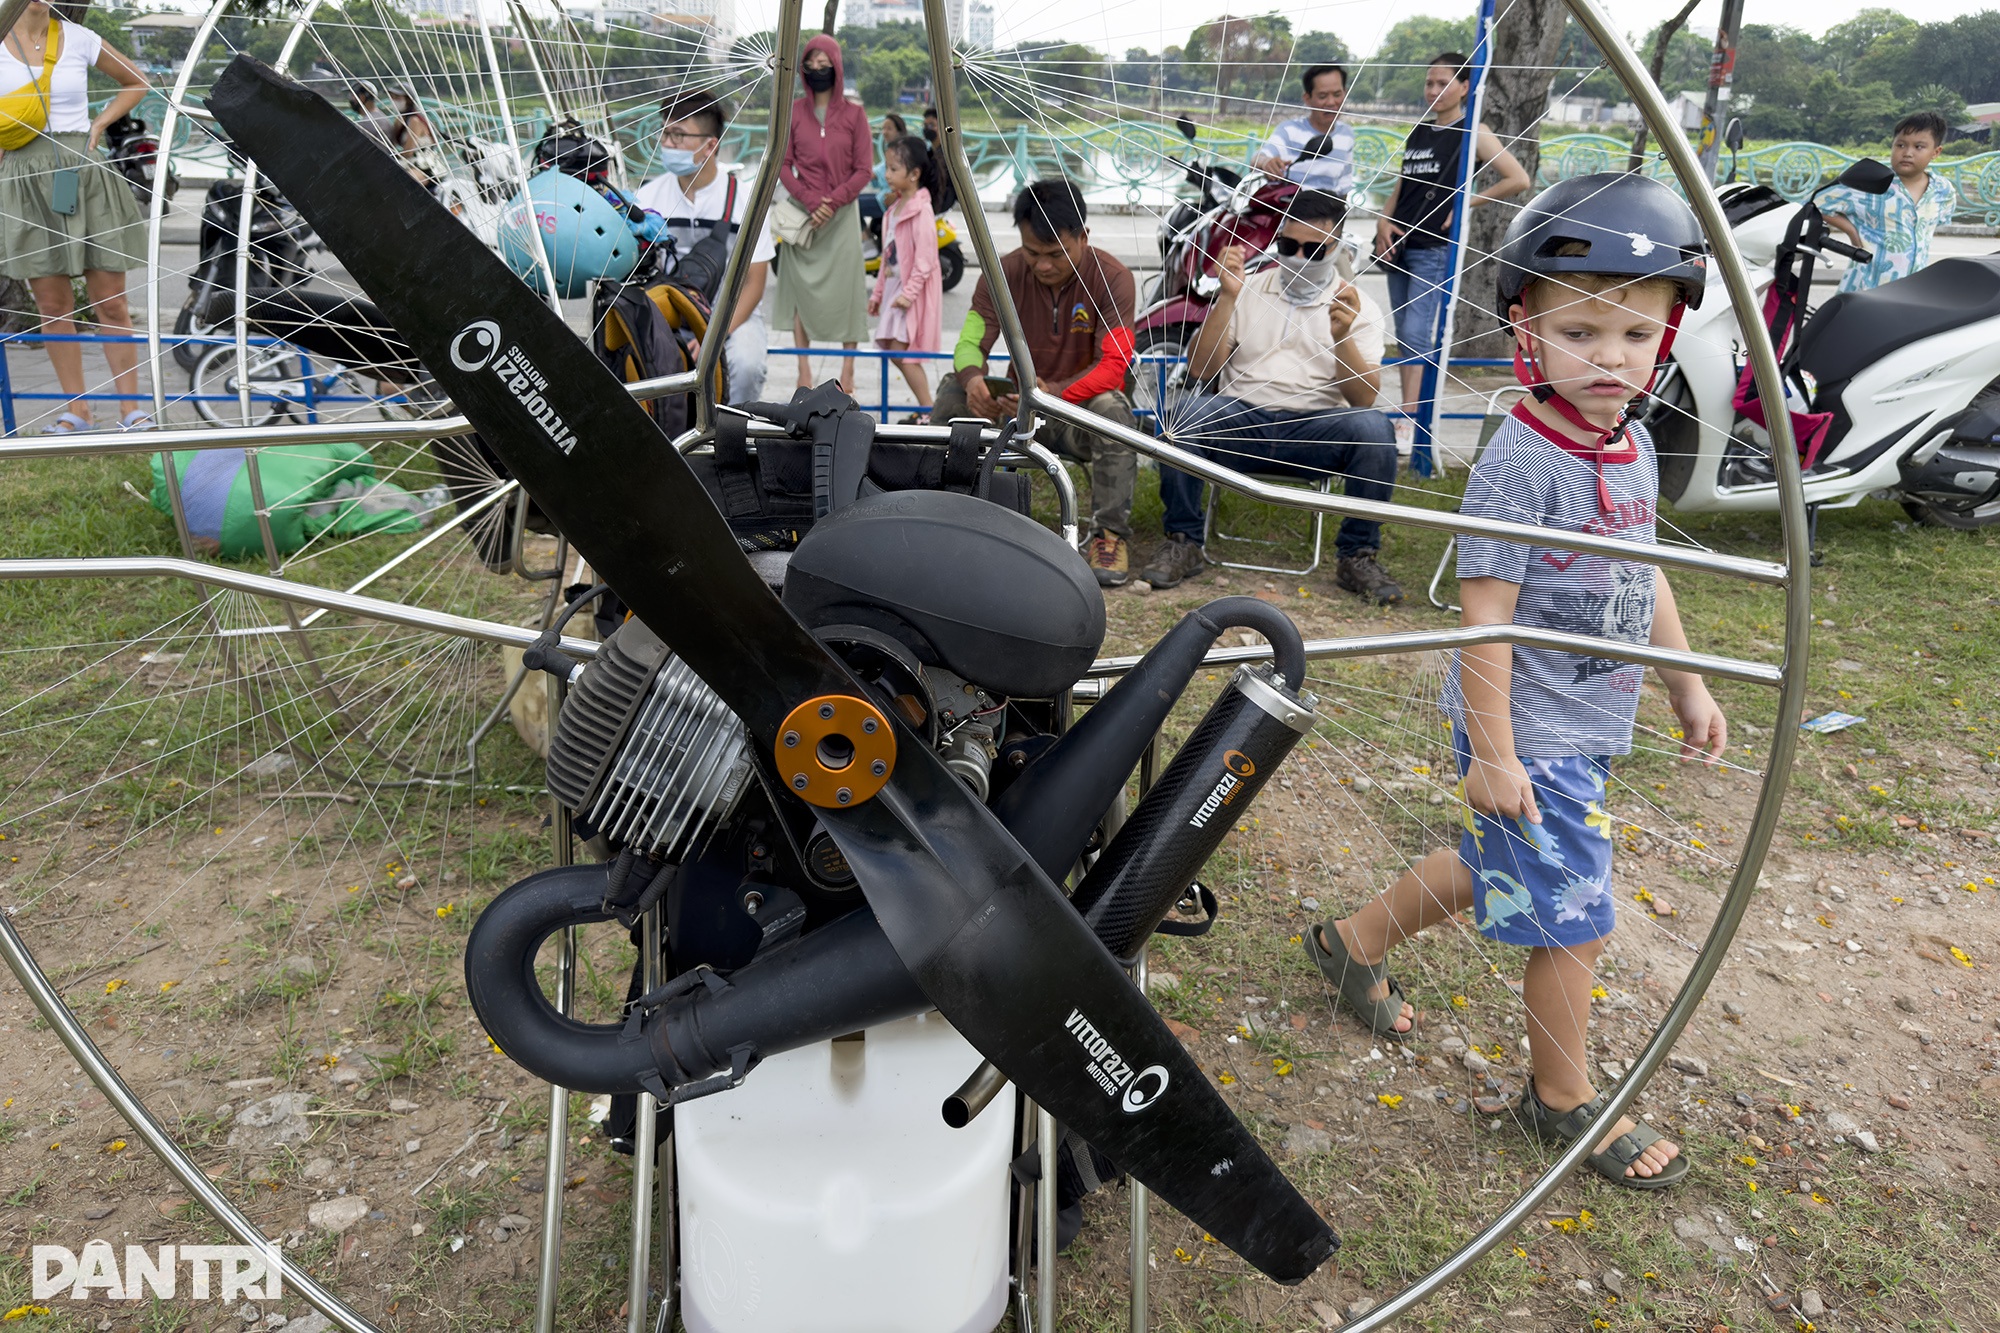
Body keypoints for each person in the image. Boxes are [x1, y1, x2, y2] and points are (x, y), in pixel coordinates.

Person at [1308, 174, 1722, 1191]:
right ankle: (1562, 1099)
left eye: (1633, 335)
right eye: (1579, 331)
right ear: (1523, 328)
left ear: (1667, 335)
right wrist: (1493, 754)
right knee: (1574, 915)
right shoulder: (1518, 463)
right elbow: (1480, 625)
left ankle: (1348, 941)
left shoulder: (1624, 438)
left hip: (1583, 722)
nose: (1608, 357)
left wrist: (1682, 682)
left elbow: (1642, 563)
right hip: (1526, 725)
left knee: (1494, 864)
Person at [1140, 190, 1402, 604]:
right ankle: (1183, 540)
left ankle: (1357, 554)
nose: (1299, 257)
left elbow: (1363, 399)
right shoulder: (1246, 288)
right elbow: (1201, 371)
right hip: (1242, 417)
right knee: (1181, 414)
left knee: (1374, 430)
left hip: (1314, 428)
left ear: (1337, 247)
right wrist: (1226, 298)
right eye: (1288, 246)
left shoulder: (1358, 306)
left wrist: (1341, 337)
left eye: (1314, 249)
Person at [937, 179, 1140, 586]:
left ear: (1084, 236)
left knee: (1113, 408)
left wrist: (1055, 396)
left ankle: (1109, 535)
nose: (1042, 265)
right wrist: (975, 379)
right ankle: (942, 515)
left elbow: (1113, 366)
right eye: (1033, 253)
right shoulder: (1004, 274)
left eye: (1055, 254)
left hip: (1078, 417)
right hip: (1019, 415)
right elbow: (969, 342)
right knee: (952, 389)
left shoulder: (1114, 278)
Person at [0, 0, 150, 433]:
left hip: (82, 173)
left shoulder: (79, 38)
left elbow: (136, 82)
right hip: (22, 177)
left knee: (112, 302)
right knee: (52, 305)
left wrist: (99, 124)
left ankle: (132, 411)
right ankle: (76, 411)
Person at [1374, 52, 1530, 437]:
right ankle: (1408, 411)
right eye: (1429, 83)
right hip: (1399, 242)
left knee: (1415, 332)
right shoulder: (1420, 131)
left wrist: (1464, 203)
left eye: (1442, 83)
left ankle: (1409, 416)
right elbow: (1403, 184)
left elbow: (1518, 178)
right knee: (1402, 331)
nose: (1433, 90)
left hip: (1434, 246)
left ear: (1464, 87)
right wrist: (1382, 218)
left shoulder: (1473, 129)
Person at [635, 89, 776, 404]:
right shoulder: (647, 199)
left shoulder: (747, 201)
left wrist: (714, 333)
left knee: (747, 365)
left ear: (710, 145)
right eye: (665, 132)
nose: (667, 143)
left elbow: (755, 283)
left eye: (678, 135)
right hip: (668, 310)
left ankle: (732, 435)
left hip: (732, 313)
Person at [774, 34, 871, 395]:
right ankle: (803, 368)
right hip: (804, 213)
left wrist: (833, 201)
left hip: (843, 214)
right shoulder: (793, 112)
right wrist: (812, 200)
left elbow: (864, 169)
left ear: (837, 67)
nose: (817, 71)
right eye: (810, 65)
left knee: (849, 291)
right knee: (800, 290)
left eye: (824, 65)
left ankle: (848, 372)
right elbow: (781, 164)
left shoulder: (855, 115)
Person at [1822, 111, 1957, 294]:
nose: (1907, 153)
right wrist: (1852, 231)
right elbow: (1816, 203)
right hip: (1865, 288)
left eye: (1919, 147)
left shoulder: (1943, 190)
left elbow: (1936, 224)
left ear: (1936, 152)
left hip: (1913, 289)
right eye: (1900, 145)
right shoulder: (1868, 182)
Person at [868, 135, 941, 416]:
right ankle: (926, 410)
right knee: (892, 347)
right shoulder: (893, 210)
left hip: (910, 292)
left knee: (904, 351)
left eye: (893, 169)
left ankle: (928, 412)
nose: (887, 175)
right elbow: (887, 257)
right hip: (895, 287)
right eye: (886, 168)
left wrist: (908, 296)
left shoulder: (921, 211)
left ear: (914, 174)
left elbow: (925, 261)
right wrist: (877, 294)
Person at [1250, 64, 1355, 195]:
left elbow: (1344, 184)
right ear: (1307, 98)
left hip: (1329, 211)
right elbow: (1257, 158)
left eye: (1337, 94)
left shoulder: (1347, 135)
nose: (1331, 102)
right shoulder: (1290, 131)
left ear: (1344, 93)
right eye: (1322, 96)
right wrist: (1266, 162)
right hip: (1292, 210)